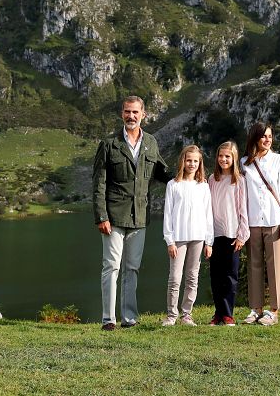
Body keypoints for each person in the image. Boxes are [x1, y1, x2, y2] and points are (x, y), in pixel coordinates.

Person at [93, 95, 169, 331]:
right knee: (111, 266)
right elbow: (98, 184)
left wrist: (188, 181)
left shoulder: (151, 143)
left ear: (143, 115)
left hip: (140, 216)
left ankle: (129, 318)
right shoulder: (109, 144)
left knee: (132, 268)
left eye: (135, 112)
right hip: (114, 215)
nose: (131, 116)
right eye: (127, 112)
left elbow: (162, 173)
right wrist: (101, 216)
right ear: (121, 114)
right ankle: (108, 319)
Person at [240, 122, 280, 326]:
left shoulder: (279, 160)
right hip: (252, 221)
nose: (268, 139)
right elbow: (241, 193)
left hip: (274, 220)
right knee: (254, 265)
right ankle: (255, 309)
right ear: (255, 138)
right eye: (263, 136)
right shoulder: (244, 162)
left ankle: (274, 311)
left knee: (275, 266)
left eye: (270, 136)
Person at [161, 145, 214, 327]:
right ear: (182, 161)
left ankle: (186, 314)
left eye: (195, 161)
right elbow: (168, 214)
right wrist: (170, 240)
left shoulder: (203, 186)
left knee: (192, 277)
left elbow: (208, 215)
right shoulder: (173, 185)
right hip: (178, 238)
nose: (191, 164)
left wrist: (209, 241)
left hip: (198, 237)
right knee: (175, 277)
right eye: (188, 160)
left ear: (200, 164)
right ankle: (171, 315)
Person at [207, 141, 249, 326]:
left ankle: (228, 314)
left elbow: (243, 209)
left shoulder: (239, 180)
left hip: (233, 234)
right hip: (215, 234)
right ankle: (218, 313)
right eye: (221, 156)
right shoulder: (211, 179)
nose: (223, 159)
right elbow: (207, 208)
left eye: (227, 156)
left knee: (230, 276)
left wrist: (242, 234)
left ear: (234, 158)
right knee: (216, 275)